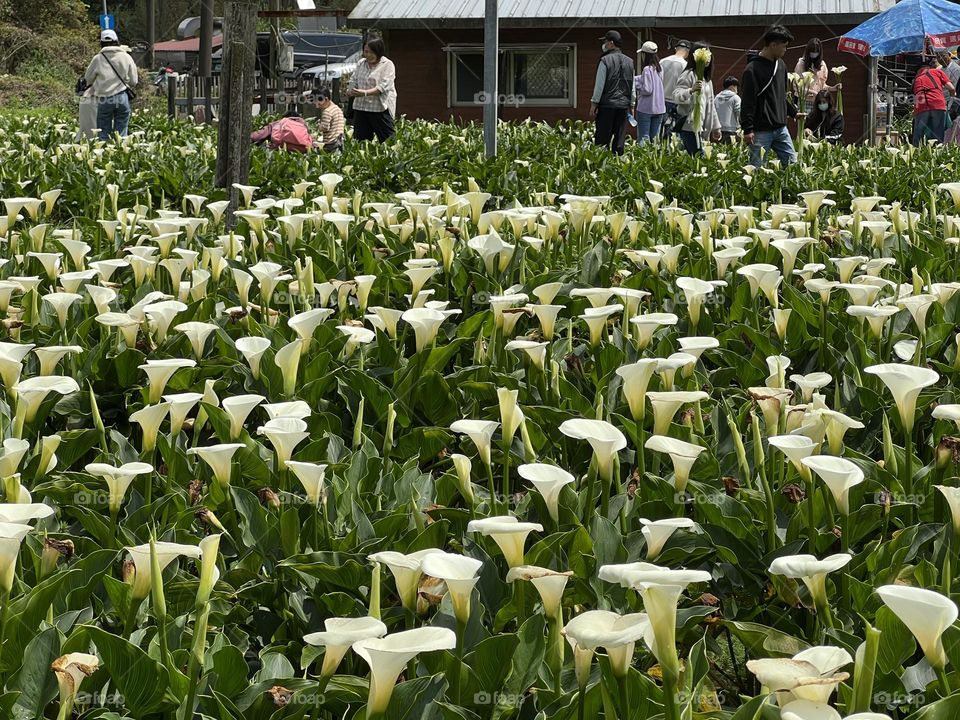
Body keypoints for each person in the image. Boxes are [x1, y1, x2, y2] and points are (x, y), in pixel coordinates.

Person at [740, 25, 798, 167]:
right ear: (773, 45)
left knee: (792, 166)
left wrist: (793, 112)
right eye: (783, 46)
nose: (785, 50)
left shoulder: (781, 65)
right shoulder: (752, 69)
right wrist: (748, 129)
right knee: (756, 170)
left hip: (781, 128)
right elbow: (748, 101)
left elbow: (781, 95)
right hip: (760, 131)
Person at [83, 29, 139, 141]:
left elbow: (87, 79)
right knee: (121, 134)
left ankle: (104, 156)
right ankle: (120, 155)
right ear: (117, 41)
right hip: (122, 98)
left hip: (104, 99)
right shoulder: (126, 57)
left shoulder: (98, 59)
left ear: (101, 43)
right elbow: (134, 81)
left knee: (103, 133)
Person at [591, 30, 635, 155]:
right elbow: (632, 86)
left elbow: (599, 85)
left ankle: (601, 165)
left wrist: (594, 103)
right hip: (623, 105)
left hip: (607, 105)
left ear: (611, 43)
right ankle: (619, 164)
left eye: (605, 41)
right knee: (619, 139)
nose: (604, 44)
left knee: (602, 139)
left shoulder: (605, 60)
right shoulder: (630, 61)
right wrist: (632, 104)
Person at [673, 42, 721, 155]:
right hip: (689, 126)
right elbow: (676, 95)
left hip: (703, 127)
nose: (708, 57)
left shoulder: (707, 80)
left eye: (709, 54)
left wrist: (716, 127)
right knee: (699, 156)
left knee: (697, 159)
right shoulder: (688, 75)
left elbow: (711, 105)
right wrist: (691, 90)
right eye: (705, 54)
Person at [346, 37, 397, 142]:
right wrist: (350, 89)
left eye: (371, 52)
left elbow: (383, 87)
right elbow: (353, 79)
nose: (368, 55)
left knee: (388, 141)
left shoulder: (387, 64)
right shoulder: (361, 63)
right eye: (366, 51)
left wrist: (365, 93)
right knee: (361, 142)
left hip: (379, 108)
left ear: (379, 51)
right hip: (361, 107)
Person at [912, 54, 955, 145]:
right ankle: (937, 155)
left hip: (921, 104)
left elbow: (916, 97)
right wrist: (951, 100)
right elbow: (951, 88)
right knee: (938, 133)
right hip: (937, 103)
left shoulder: (917, 79)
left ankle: (915, 154)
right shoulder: (937, 72)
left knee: (918, 134)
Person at [634, 41, 665, 145]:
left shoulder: (647, 69)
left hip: (646, 108)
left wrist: (637, 87)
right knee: (655, 139)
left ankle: (643, 159)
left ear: (644, 55)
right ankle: (654, 159)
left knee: (644, 137)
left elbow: (647, 89)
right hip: (660, 108)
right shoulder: (660, 68)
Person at [795, 38, 840, 109]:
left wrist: (832, 88)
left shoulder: (822, 64)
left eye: (816, 52)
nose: (814, 53)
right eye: (812, 51)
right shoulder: (801, 64)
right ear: (808, 51)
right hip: (805, 102)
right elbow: (797, 86)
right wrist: (813, 92)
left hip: (819, 101)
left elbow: (822, 85)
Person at [661, 39, 691, 136]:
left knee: (661, 131)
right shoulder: (686, 65)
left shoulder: (662, 61)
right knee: (675, 133)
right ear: (688, 51)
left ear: (675, 49)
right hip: (677, 102)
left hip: (661, 101)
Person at [251, 109, 315, 152]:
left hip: (281, 149)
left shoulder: (279, 123)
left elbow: (257, 136)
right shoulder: (303, 124)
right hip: (303, 150)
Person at [714, 76, 741, 143]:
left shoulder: (716, 97)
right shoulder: (735, 97)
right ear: (732, 87)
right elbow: (739, 112)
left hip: (717, 130)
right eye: (736, 87)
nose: (737, 90)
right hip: (731, 130)